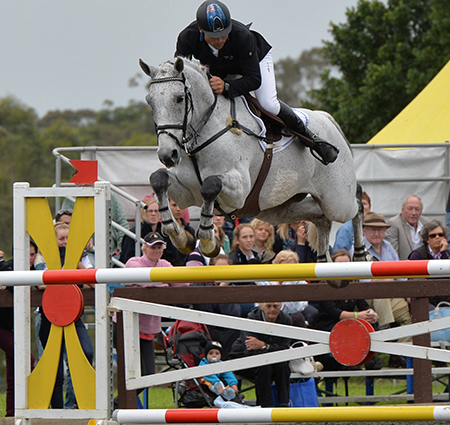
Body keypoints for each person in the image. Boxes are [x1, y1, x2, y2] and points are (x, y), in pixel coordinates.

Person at [175, 1, 339, 166]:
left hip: (256, 60)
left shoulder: (242, 36)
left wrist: (226, 86)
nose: (219, 41)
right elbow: (180, 73)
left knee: (269, 104)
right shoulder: (187, 37)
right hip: (220, 67)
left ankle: (312, 140)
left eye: (224, 35)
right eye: (214, 37)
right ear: (201, 30)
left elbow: (253, 79)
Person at [39, 223, 94, 409]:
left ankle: (79, 403)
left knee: (86, 352)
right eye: (61, 239)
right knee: (55, 368)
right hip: (50, 316)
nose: (65, 243)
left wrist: (76, 263)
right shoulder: (44, 256)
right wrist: (71, 271)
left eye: (69, 239)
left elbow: (94, 283)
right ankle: (57, 410)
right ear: (53, 241)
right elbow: (42, 284)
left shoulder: (83, 257)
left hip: (73, 315)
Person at [121, 232, 189, 384]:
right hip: (127, 326)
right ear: (144, 249)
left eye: (160, 247)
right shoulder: (133, 262)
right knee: (134, 374)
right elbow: (145, 281)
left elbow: (182, 282)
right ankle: (120, 404)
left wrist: (162, 282)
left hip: (147, 328)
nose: (157, 250)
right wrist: (165, 283)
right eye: (153, 247)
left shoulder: (164, 264)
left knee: (148, 375)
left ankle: (121, 404)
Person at [314, 249, 383, 371]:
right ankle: (348, 363)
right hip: (328, 323)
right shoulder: (325, 284)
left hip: (348, 322)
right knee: (349, 328)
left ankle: (370, 361)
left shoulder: (354, 283)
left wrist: (372, 314)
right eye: (339, 265)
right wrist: (357, 315)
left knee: (371, 322)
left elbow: (363, 304)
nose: (343, 268)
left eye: (346, 264)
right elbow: (333, 312)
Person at [360, 212, 411, 368]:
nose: (377, 233)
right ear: (364, 230)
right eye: (372, 229)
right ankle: (388, 334)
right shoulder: (358, 249)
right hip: (368, 300)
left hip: (391, 296)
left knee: (413, 315)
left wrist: (408, 295)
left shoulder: (388, 247)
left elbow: (401, 275)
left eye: (380, 230)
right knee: (380, 294)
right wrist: (385, 280)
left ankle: (397, 352)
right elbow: (362, 282)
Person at [229, 302, 292, 407]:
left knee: (283, 365)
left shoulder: (286, 320)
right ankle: (265, 407)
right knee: (264, 366)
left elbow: (285, 349)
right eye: (268, 306)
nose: (272, 309)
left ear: (281, 306)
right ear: (261, 306)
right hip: (244, 361)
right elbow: (250, 350)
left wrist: (264, 345)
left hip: (272, 361)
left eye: (276, 306)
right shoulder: (251, 320)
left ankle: (284, 405)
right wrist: (273, 348)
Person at [190, 254, 241, 359]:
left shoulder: (231, 287)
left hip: (226, 329)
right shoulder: (200, 283)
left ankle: (226, 370)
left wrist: (223, 287)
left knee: (235, 332)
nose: (221, 272)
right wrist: (219, 291)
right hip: (206, 328)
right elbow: (205, 310)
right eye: (218, 268)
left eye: (225, 269)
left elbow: (234, 314)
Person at [258, 250, 318, 327]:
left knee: (298, 317)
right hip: (270, 316)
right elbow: (260, 306)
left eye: (290, 267)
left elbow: (301, 306)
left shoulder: (301, 283)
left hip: (292, 317)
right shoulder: (265, 282)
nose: (287, 271)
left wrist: (286, 287)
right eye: (284, 267)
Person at [408, 220, 450, 307]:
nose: (437, 237)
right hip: (426, 298)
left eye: (440, 235)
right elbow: (413, 281)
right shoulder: (417, 255)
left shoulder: (447, 253)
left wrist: (444, 253)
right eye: (433, 235)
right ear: (427, 239)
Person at [385, 195, 431, 260]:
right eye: (410, 208)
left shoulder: (427, 223)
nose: (413, 213)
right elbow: (393, 254)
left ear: (421, 212)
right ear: (402, 210)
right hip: (404, 267)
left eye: (417, 209)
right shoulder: (394, 224)